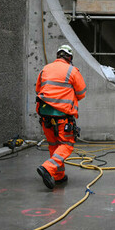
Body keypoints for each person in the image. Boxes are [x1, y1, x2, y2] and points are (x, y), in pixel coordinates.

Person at [35, 44, 86, 190]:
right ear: (70, 57)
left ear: (58, 55)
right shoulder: (72, 70)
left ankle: (58, 176)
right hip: (62, 117)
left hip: (45, 116)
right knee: (66, 145)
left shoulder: (45, 69)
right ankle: (48, 167)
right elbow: (81, 93)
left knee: (54, 145)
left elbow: (38, 89)